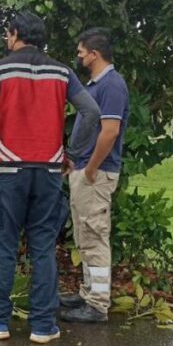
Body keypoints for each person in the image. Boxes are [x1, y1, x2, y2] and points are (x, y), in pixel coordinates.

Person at [0, 12, 100, 344]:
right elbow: (91, 112)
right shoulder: (63, 72)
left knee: (1, 247)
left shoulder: (0, 69)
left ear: (14, 34)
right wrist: (72, 153)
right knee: (43, 248)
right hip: (49, 172)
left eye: (7, 34)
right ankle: (43, 326)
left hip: (8, 171)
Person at [59, 28, 130, 323]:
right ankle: (88, 293)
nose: (79, 57)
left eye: (81, 52)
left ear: (94, 54)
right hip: (85, 169)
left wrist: (90, 168)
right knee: (85, 235)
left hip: (96, 172)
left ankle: (98, 304)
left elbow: (110, 131)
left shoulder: (112, 85)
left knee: (95, 235)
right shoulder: (96, 85)